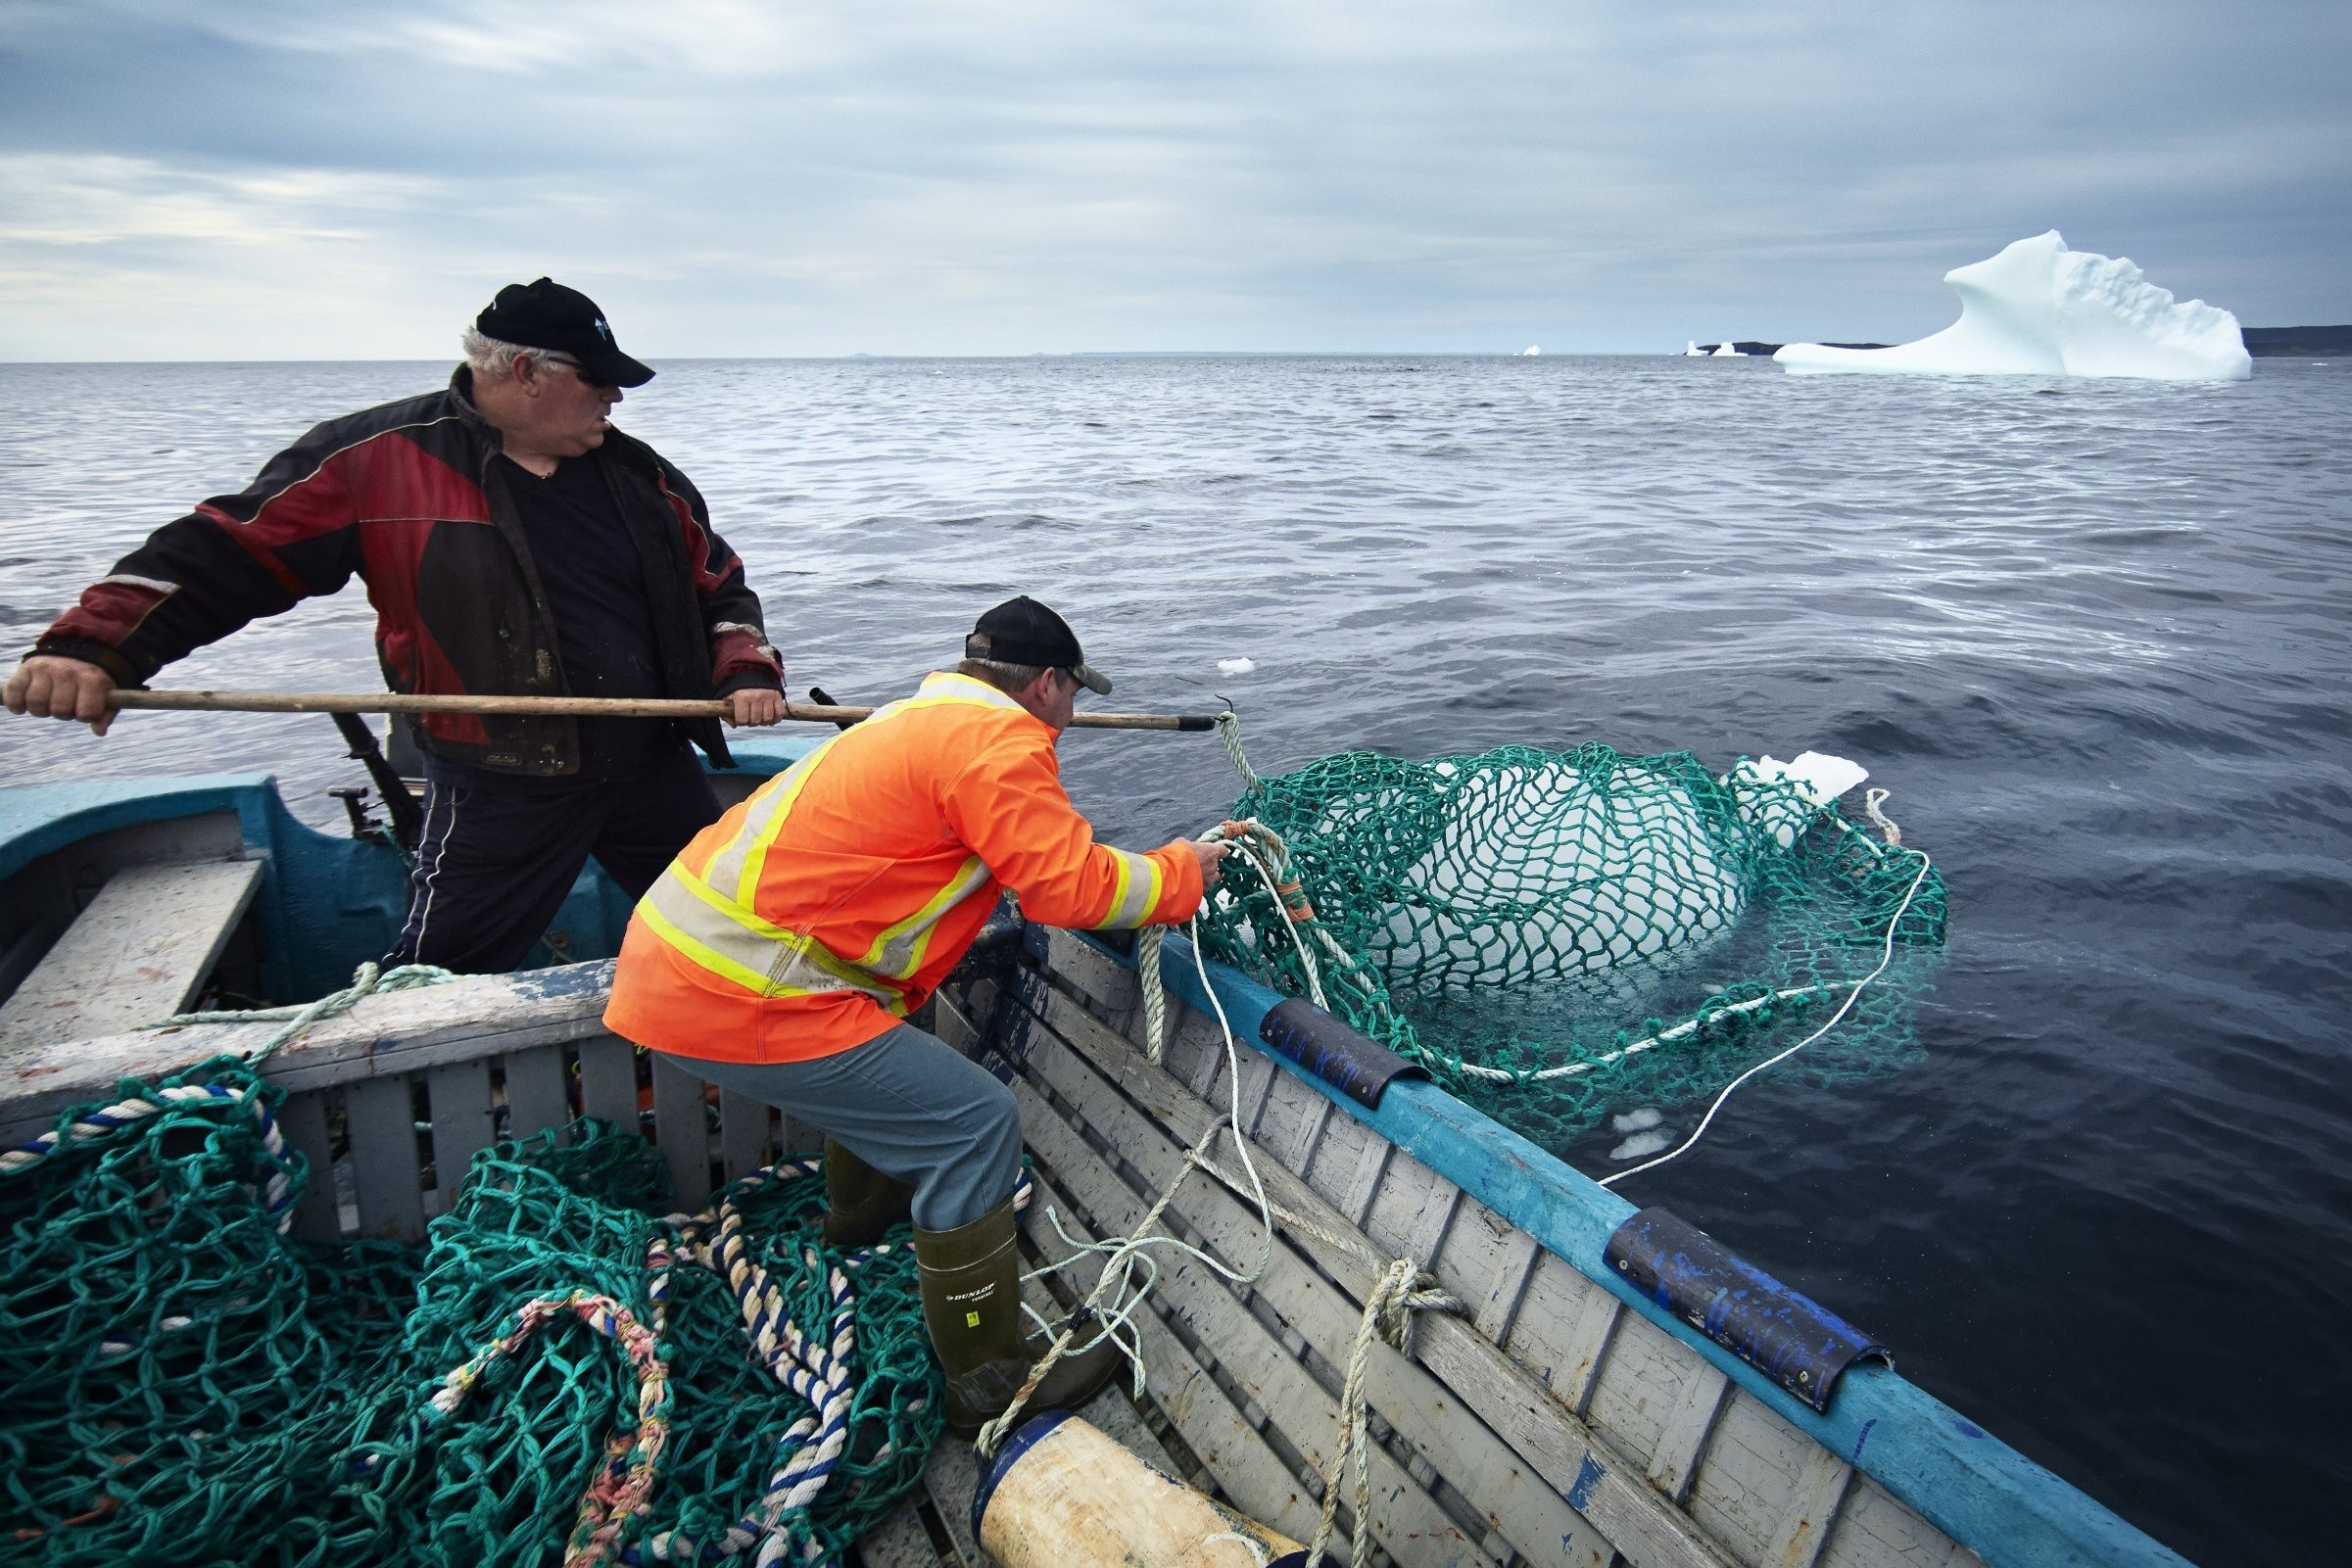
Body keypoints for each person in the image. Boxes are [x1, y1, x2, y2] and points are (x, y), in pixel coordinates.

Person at [3, 278, 787, 974]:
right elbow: (225, 553)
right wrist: (88, 648)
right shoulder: (375, 458)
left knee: (743, 937)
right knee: (436, 975)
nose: (614, 400)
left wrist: (746, 669)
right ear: (525, 374)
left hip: (650, 764)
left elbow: (717, 588)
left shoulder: (640, 474)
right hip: (499, 776)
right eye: (599, 380)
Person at [602, 595, 1226, 1433]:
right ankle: (985, 1376)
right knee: (973, 1123)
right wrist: (1181, 869)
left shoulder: (918, 718)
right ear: (1045, 683)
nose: (1071, 716)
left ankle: (859, 1234)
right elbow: (1068, 888)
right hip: (742, 987)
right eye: (1074, 695)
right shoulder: (997, 742)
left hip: (680, 960)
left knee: (898, 1060)